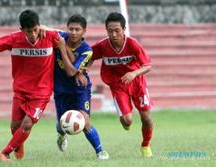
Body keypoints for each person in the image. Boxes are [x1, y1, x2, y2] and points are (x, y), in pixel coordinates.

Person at [0, 9, 69, 162]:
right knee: (15, 127)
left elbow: (67, 36)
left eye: (35, 30)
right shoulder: (15, 38)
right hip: (21, 91)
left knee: (27, 124)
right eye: (29, 31)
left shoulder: (49, 36)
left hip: (42, 92)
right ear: (22, 30)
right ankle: (18, 145)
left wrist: (46, 29)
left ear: (39, 26)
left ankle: (5, 153)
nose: (33, 34)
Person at [90, 12, 154, 157]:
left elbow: (148, 66)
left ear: (124, 29)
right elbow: (88, 57)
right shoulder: (102, 46)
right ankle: (126, 122)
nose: (113, 34)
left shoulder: (132, 44)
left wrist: (134, 73)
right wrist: (83, 70)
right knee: (127, 121)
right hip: (118, 85)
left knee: (146, 118)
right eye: (110, 31)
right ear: (106, 30)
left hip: (137, 83)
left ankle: (146, 145)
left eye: (117, 30)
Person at [53, 14, 109, 160]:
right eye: (71, 29)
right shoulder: (60, 36)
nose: (73, 32)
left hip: (79, 89)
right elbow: (43, 29)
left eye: (77, 29)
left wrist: (62, 48)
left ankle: (100, 151)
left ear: (84, 31)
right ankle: (61, 135)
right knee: (62, 124)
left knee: (84, 121)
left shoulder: (87, 50)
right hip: (61, 90)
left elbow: (71, 72)